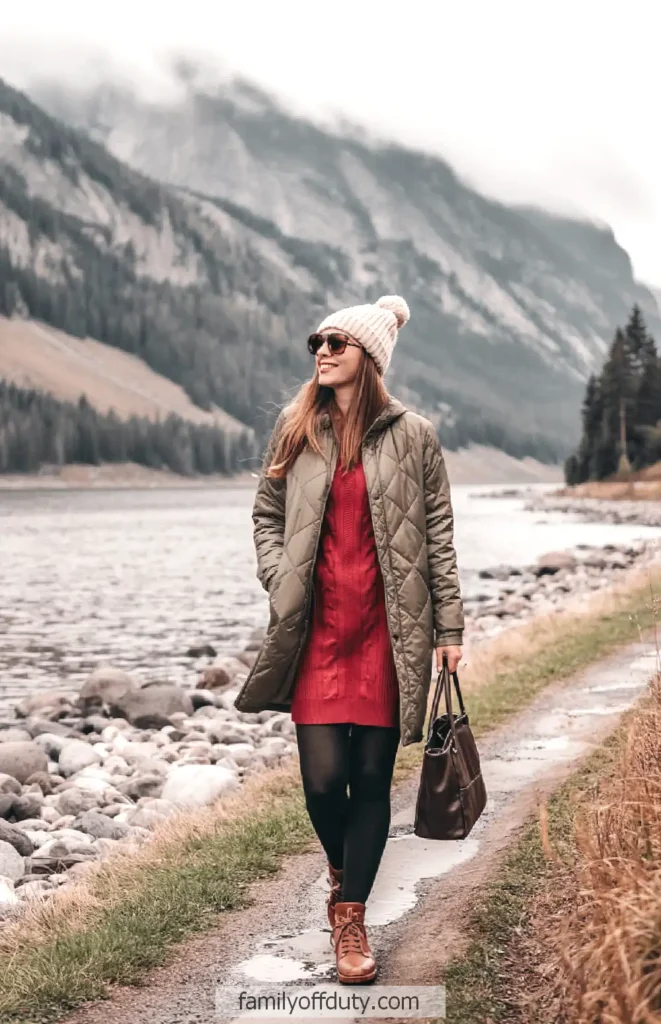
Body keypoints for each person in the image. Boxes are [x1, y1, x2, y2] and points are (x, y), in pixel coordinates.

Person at [233, 294, 464, 984]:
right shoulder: (295, 424)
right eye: (317, 341)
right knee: (321, 779)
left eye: (337, 341)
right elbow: (266, 514)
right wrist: (280, 581)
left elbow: (440, 538)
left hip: (388, 631)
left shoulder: (414, 435)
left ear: (369, 357)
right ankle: (343, 871)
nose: (322, 351)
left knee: (368, 778)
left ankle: (351, 916)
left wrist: (448, 627)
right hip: (316, 631)